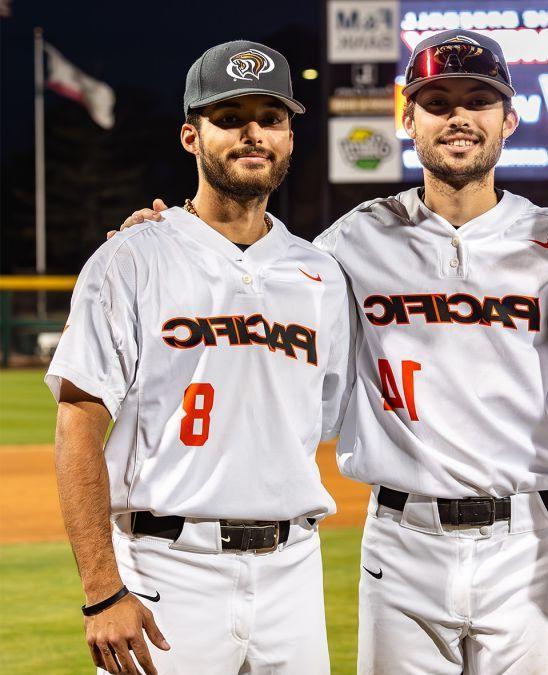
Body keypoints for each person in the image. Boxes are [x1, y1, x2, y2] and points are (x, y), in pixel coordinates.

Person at [118, 30, 548, 673]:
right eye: (437, 103)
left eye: (480, 100)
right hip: (400, 537)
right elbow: (253, 272)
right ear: (408, 121)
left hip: (529, 539)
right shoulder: (350, 243)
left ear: (509, 120)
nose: (459, 117)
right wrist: (169, 232)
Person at [49, 40, 350, 675]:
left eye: (270, 119)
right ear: (191, 135)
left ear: (291, 137)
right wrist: (102, 590)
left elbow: (322, 416)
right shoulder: (130, 258)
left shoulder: (319, 273)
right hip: (168, 571)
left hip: (293, 572)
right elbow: (79, 419)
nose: (252, 134)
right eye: (229, 117)